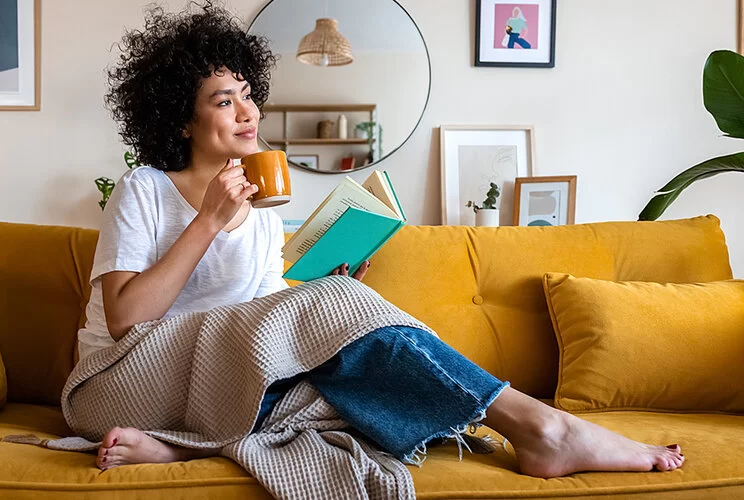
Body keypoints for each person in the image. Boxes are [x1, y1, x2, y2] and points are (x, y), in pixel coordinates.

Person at [77, 1, 685, 478]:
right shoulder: (146, 189)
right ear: (181, 120)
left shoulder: (260, 212)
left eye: (248, 94)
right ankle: (543, 428)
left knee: (344, 375)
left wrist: (324, 294)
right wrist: (207, 221)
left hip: (213, 384)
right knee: (336, 353)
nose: (247, 112)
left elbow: (257, 318)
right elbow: (127, 320)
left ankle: (183, 450)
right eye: (223, 100)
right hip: (120, 382)